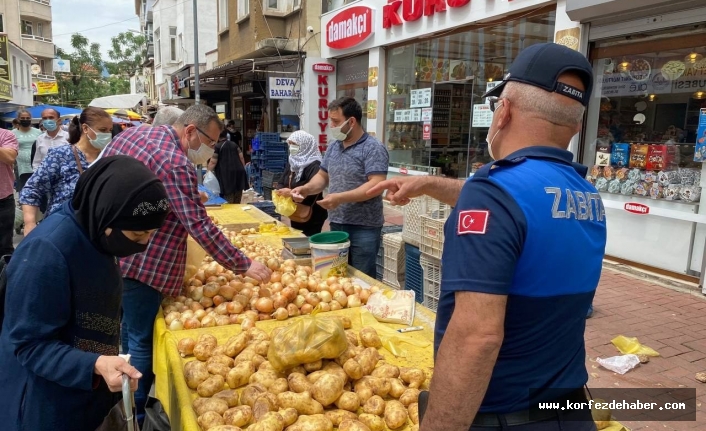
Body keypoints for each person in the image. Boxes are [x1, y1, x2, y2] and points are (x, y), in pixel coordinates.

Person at [368, 43, 607, 430]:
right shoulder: (583, 193)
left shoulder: (495, 193)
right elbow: (515, 207)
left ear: (504, 110)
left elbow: (477, 336)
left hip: (503, 416)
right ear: (576, 125)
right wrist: (429, 184)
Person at [101, 104, 272, 423]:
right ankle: (134, 414)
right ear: (190, 131)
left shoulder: (140, 133)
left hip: (113, 253)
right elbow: (198, 224)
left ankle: (121, 397)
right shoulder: (175, 161)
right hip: (145, 263)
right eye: (210, 141)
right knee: (141, 339)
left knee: (125, 330)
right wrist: (242, 264)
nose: (210, 150)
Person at [0, 156, 171, 431]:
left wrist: (99, 364)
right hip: (44, 404)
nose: (144, 244)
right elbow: (29, 344)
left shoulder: (95, 232)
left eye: (150, 234)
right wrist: (94, 363)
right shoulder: (47, 252)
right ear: (108, 216)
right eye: (138, 235)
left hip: (85, 390)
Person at [288, 97, 389, 278]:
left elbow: (377, 184)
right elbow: (322, 176)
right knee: (337, 275)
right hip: (337, 224)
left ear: (352, 121)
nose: (331, 126)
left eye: (335, 122)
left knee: (361, 278)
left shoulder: (373, 148)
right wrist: (306, 188)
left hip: (364, 227)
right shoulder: (334, 147)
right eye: (330, 121)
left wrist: (340, 198)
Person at [20, 107, 113, 236]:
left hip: (99, 233)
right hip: (63, 231)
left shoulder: (109, 157)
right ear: (85, 128)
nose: (107, 135)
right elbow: (32, 189)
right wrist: (30, 223)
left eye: (110, 130)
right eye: (103, 130)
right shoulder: (61, 155)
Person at [275, 131, 328, 236]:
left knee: (307, 241)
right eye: (289, 144)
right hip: (295, 209)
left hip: (312, 213)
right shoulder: (292, 162)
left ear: (305, 145)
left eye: (294, 145)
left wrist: (291, 193)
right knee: (297, 237)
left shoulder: (315, 165)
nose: (291, 148)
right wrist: (280, 190)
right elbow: (282, 181)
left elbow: (314, 191)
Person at [209, 129, 248, 204]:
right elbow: (241, 157)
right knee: (237, 196)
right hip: (239, 172)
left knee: (228, 199)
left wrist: (208, 172)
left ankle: (231, 213)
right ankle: (236, 211)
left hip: (226, 174)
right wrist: (243, 169)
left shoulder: (217, 146)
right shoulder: (234, 144)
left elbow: (213, 162)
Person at [11, 110, 42, 192]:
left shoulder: (38, 132)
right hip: (21, 166)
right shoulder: (12, 133)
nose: (25, 119)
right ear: (18, 119)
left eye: (27, 118)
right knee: (23, 190)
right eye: (23, 118)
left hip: (37, 165)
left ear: (31, 119)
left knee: (38, 190)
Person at [0, 129, 17, 255]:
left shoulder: (6, 135)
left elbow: (10, 157)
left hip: (3, 199)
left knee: (4, 246)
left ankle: (5, 273)